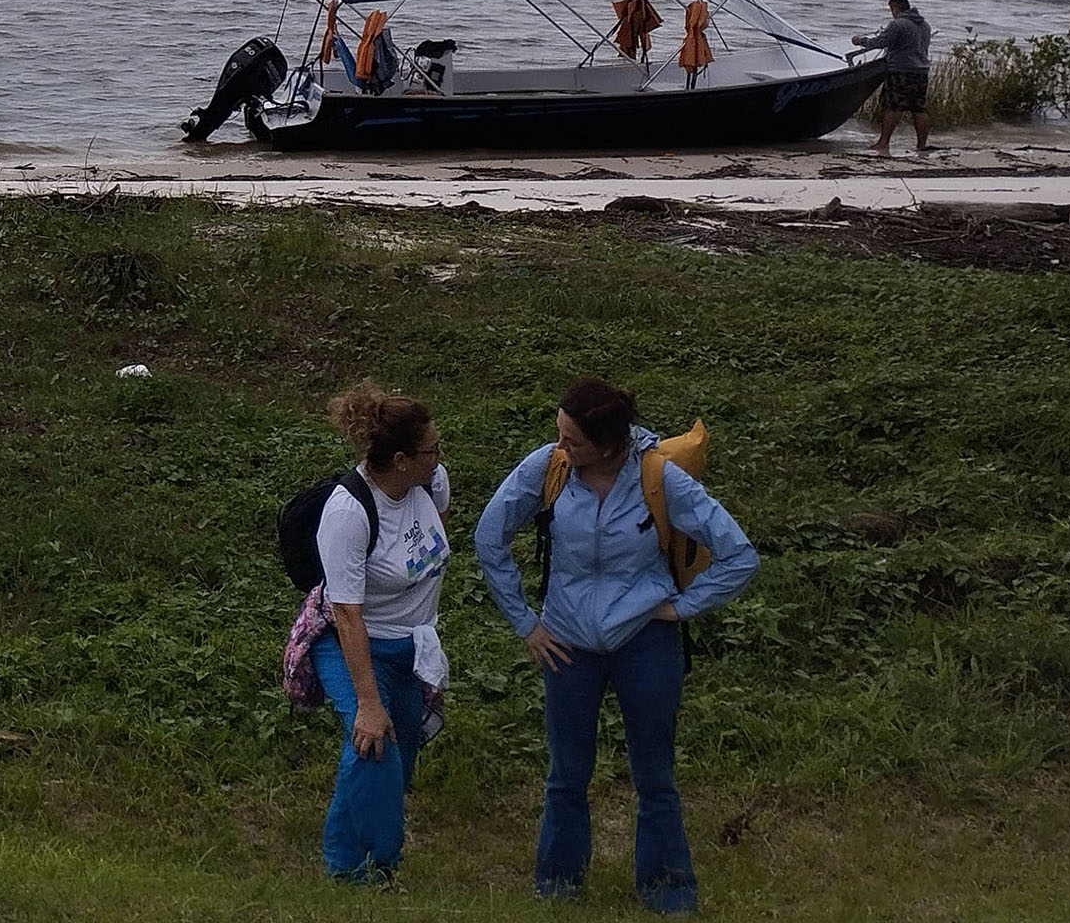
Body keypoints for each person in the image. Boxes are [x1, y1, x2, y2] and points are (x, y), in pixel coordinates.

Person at [473, 378, 759, 915]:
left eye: (572, 441)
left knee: (654, 776)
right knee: (566, 774)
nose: (561, 449)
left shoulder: (659, 478)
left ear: (609, 444)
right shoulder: (547, 469)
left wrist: (679, 607)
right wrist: (527, 624)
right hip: (567, 645)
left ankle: (668, 890)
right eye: (558, 435)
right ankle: (557, 887)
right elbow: (489, 539)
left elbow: (739, 554)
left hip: (644, 643)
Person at [306, 382, 450, 885]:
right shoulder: (348, 513)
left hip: (412, 646)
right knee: (373, 742)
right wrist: (368, 702)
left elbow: (433, 544)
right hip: (350, 642)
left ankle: (348, 856)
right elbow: (347, 614)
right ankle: (363, 868)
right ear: (401, 459)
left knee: (402, 750)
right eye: (432, 449)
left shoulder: (431, 482)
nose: (440, 456)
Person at [851, 0, 934, 155]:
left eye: (891, 9)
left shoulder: (898, 24)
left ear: (895, 8)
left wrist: (860, 41)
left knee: (892, 107)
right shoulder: (925, 25)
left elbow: (880, 42)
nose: (892, 13)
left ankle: (883, 143)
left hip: (900, 71)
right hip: (921, 71)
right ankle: (921, 145)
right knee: (919, 109)